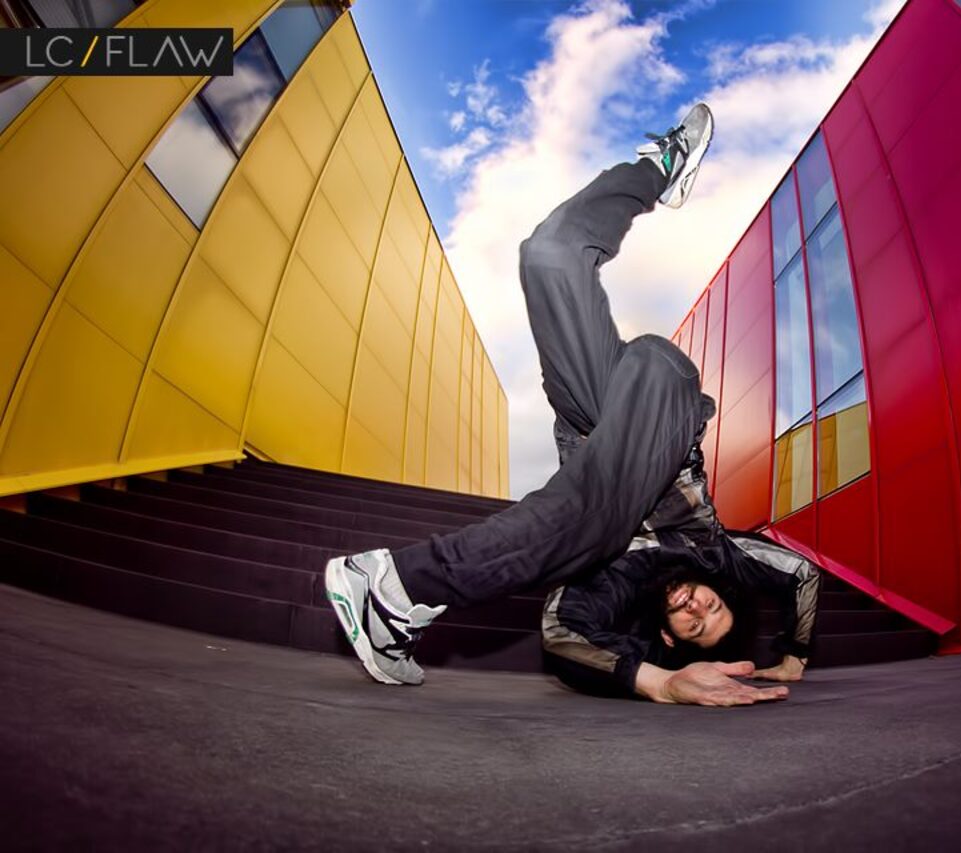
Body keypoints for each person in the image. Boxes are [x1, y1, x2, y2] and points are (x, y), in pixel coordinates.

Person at [325, 103, 819, 707]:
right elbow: (802, 574)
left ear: (666, 633)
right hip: (660, 412)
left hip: (586, 424)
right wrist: (796, 654)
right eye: (710, 605)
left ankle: (396, 588)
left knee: (549, 255)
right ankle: (658, 170)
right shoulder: (720, 554)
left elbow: (560, 636)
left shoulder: (607, 585)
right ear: (720, 588)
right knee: (633, 414)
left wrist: (660, 681)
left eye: (691, 624)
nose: (693, 604)